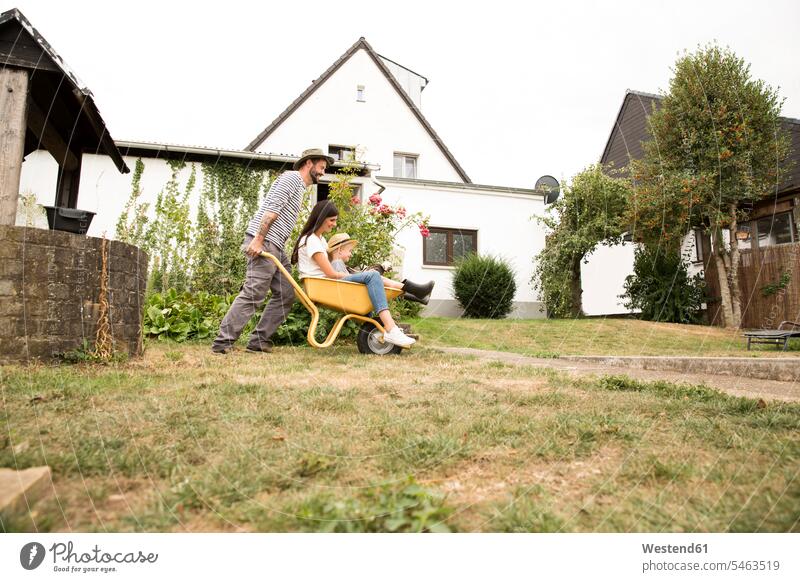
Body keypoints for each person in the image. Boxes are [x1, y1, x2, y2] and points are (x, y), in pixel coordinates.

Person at [211, 148, 335, 354]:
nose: (322, 173)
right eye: (321, 167)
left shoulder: (300, 186)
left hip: (276, 245)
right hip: (265, 241)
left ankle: (259, 340)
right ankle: (223, 342)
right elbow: (272, 209)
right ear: (308, 163)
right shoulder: (291, 179)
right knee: (254, 292)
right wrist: (259, 240)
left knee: (286, 294)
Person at [291, 201, 417, 347]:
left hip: (324, 284)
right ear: (320, 217)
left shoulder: (319, 239)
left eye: (335, 220)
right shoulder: (312, 240)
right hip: (323, 285)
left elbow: (333, 265)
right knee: (372, 276)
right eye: (331, 220)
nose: (334, 224)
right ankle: (391, 328)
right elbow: (331, 273)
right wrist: (359, 277)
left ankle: (400, 309)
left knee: (370, 277)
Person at [326, 233, 434, 305]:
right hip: (351, 295)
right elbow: (343, 281)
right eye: (349, 250)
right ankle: (418, 292)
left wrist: (364, 274)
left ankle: (419, 296)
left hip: (354, 292)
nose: (351, 254)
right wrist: (365, 276)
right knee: (380, 280)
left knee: (381, 281)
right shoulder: (337, 263)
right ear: (339, 250)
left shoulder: (337, 264)